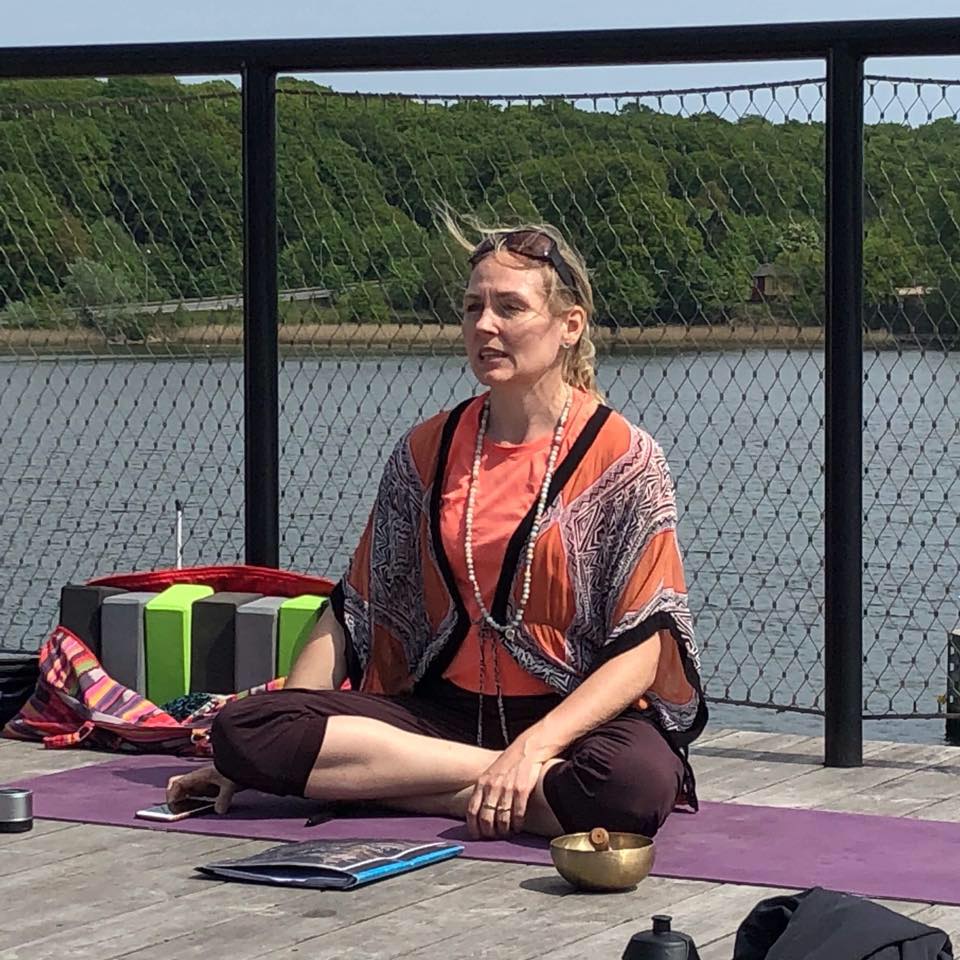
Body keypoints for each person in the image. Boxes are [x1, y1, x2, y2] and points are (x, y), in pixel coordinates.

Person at [167, 216, 708, 841]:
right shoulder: (427, 449)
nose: (485, 326)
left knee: (630, 787)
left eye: (510, 307)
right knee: (245, 730)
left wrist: (534, 748)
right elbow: (353, 611)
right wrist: (276, 738)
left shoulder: (624, 456)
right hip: (444, 718)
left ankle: (412, 790)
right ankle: (489, 791)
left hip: (573, 724)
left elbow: (647, 644)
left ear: (570, 325)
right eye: (472, 306)